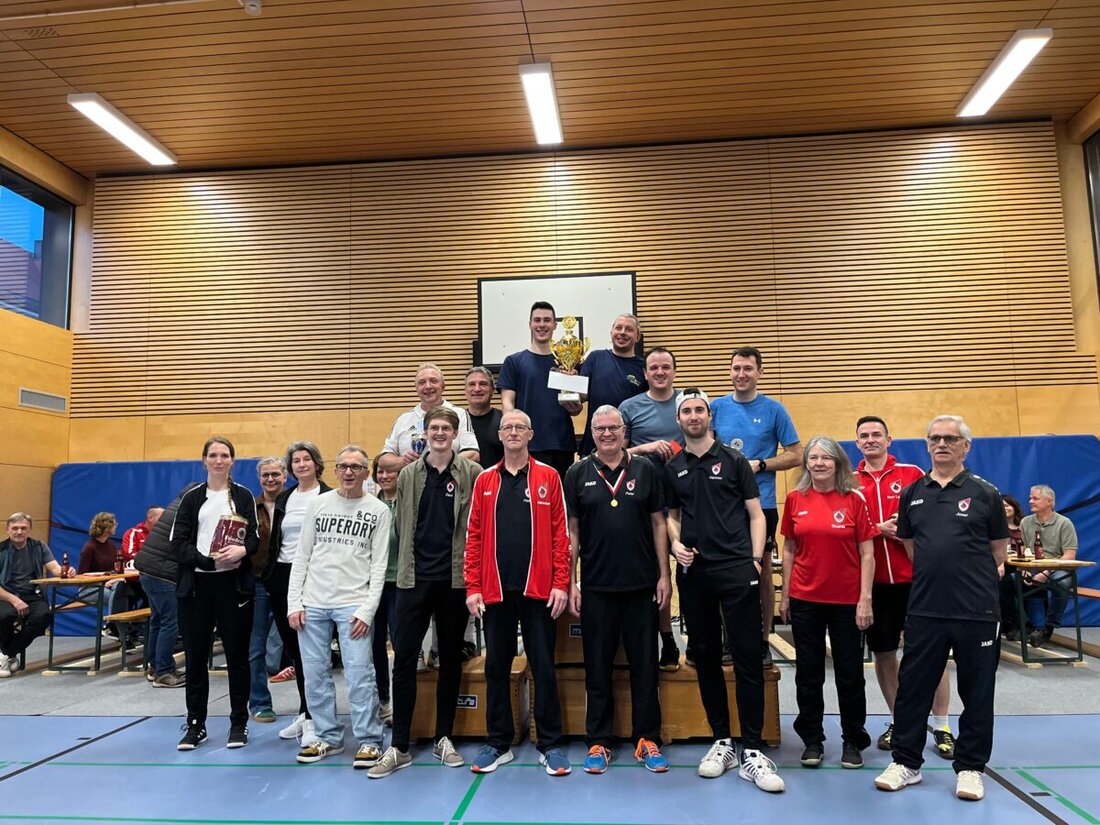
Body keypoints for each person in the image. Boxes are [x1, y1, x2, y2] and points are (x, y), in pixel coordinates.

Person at [875, 415, 1009, 802]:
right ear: (927, 445)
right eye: (935, 439)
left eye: (951, 439)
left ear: (966, 446)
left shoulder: (986, 494)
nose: (942, 444)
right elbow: (912, 548)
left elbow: (997, 552)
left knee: (977, 692)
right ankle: (906, 762)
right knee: (913, 689)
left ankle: (970, 768)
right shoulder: (913, 493)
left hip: (976, 611)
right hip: (925, 609)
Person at [663, 389, 784, 793]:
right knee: (706, 657)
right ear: (678, 420)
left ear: (709, 416)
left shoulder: (734, 461)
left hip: (737, 570)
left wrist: (754, 560)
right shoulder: (673, 467)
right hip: (695, 574)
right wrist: (676, 543)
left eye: (699, 409)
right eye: (686, 411)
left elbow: (756, 514)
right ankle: (722, 741)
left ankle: (753, 749)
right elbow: (672, 516)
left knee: (748, 657)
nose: (693, 416)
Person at [370, 407, 482, 778]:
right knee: (404, 659)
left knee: (450, 659)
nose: (439, 433)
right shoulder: (407, 475)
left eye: (446, 428)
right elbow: (400, 522)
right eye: (433, 427)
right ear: (425, 432)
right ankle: (399, 745)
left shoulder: (471, 473)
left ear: (455, 434)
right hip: (412, 580)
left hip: (454, 580)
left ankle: (443, 737)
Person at [564, 405, 671, 775]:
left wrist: (664, 575)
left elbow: (659, 523)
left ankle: (647, 739)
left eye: (613, 428)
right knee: (597, 668)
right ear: (591, 433)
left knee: (645, 667)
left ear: (624, 431)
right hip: (596, 587)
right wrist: (571, 581)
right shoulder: (577, 473)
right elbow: (572, 530)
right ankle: (599, 740)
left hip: (641, 585)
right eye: (600, 429)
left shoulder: (646, 470)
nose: (607, 434)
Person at [464, 409, 571, 776]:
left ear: (530, 434)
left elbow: (561, 535)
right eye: (506, 427)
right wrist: (473, 587)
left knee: (543, 666)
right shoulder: (485, 480)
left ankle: (550, 744)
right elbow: (473, 537)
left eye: (519, 427)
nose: (512, 432)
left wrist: (560, 583)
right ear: (500, 435)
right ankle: (498, 742)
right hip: (495, 591)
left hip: (539, 591)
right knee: (496, 667)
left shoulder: (549, 477)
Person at [854, 416, 955, 758]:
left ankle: (942, 725)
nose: (871, 440)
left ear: (889, 440)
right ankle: (900, 721)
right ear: (857, 443)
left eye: (876, 434)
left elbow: (936, 516)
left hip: (918, 581)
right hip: (876, 584)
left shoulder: (912, 473)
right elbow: (852, 528)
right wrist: (876, 528)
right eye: (864, 436)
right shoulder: (850, 482)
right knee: (884, 654)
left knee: (932, 653)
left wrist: (907, 529)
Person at [288, 444, 391, 768]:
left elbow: (379, 566)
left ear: (366, 473)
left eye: (356, 467)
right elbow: (302, 556)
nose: (348, 472)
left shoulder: (378, 511)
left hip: (353, 605)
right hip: (313, 603)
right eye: (343, 466)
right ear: (335, 471)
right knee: (315, 675)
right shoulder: (318, 505)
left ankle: (370, 740)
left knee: (360, 675)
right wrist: (294, 602)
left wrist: (367, 610)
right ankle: (327, 737)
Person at [779, 436, 875, 770]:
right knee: (809, 674)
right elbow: (789, 549)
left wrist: (865, 599)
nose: (819, 463)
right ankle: (812, 740)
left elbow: (867, 553)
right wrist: (786, 595)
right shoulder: (795, 499)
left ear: (838, 463)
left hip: (847, 602)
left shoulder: (854, 499)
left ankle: (853, 740)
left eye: (826, 458)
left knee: (850, 675)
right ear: (806, 463)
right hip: (805, 599)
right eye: (813, 457)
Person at [710, 346, 802, 664]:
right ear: (730, 371)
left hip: (761, 505)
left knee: (760, 571)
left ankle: (762, 640)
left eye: (748, 368)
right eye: (736, 368)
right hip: (722, 505)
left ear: (760, 373)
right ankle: (728, 639)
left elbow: (796, 454)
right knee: (722, 571)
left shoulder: (774, 410)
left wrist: (761, 465)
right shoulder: (716, 408)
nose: (741, 374)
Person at [171, 436, 260, 751]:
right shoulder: (192, 497)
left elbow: (254, 538)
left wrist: (241, 551)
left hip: (233, 587)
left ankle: (239, 723)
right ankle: (196, 724)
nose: (219, 460)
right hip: (197, 587)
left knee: (237, 658)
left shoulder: (243, 496)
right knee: (196, 658)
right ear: (204, 460)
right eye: (213, 455)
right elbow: (177, 544)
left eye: (224, 455)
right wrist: (207, 561)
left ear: (232, 461)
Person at [262, 441, 331, 744]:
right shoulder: (285, 498)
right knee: (294, 650)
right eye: (296, 461)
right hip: (282, 576)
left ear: (316, 463)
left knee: (312, 651)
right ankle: (305, 712)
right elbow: (277, 539)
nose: (301, 464)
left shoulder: (329, 496)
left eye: (306, 459)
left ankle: (316, 717)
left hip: (315, 577)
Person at [619, 346, 683, 670]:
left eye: (665, 367)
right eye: (653, 367)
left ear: (674, 371)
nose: (659, 372)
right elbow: (615, 451)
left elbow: (706, 440)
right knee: (656, 574)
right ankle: (665, 637)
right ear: (644, 373)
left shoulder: (688, 401)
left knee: (690, 572)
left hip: (685, 501)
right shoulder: (629, 406)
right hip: (644, 504)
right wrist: (646, 448)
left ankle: (699, 638)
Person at [497, 301, 582, 480]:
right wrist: (513, 431)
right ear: (530, 324)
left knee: (560, 494)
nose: (542, 325)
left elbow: (576, 406)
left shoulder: (569, 361)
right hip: (528, 444)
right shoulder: (514, 361)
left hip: (561, 443)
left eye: (547, 320)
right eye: (537, 320)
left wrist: (576, 407)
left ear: (555, 325)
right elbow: (507, 402)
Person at [136, 489, 195, 688]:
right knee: (170, 622)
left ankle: (155, 667)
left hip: (148, 570)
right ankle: (164, 672)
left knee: (158, 620)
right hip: (163, 573)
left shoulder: (174, 507)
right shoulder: (187, 512)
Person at [1, 513, 73, 678]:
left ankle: (6, 653)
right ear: (7, 530)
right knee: (5, 615)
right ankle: (8, 655)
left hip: (32, 594)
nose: (19, 532)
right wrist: (14, 600)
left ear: (30, 530)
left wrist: (66, 571)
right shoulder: (1, 550)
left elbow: (55, 569)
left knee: (43, 617)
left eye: (23, 528)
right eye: (15, 528)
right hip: (5, 595)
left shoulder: (39, 547)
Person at [248, 458, 286, 724]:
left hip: (289, 581)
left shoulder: (295, 503)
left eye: (275, 474)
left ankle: (308, 708)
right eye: (265, 475)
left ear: (285, 475)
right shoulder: (249, 507)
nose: (270, 479)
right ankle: (260, 702)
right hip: (258, 581)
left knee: (300, 645)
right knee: (256, 645)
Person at [576, 314, 647, 456]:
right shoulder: (595, 358)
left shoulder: (644, 367)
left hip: (629, 447)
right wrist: (568, 381)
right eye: (618, 328)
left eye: (629, 329)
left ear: (637, 337)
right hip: (594, 443)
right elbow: (580, 395)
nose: (622, 332)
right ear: (611, 332)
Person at [382, 363, 479, 465]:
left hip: (448, 475)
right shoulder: (403, 419)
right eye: (422, 382)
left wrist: (439, 466)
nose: (427, 386)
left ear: (443, 386)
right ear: (416, 388)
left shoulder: (459, 414)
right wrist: (404, 461)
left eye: (433, 381)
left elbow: (473, 454)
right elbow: (383, 460)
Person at [1019, 485, 1079, 648]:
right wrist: (1024, 569)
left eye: (1035, 498)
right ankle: (1030, 626)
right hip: (1033, 566)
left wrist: (1046, 571)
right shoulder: (1025, 522)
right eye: (1030, 498)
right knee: (1011, 581)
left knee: (1061, 582)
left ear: (1049, 502)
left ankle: (1049, 626)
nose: (1030, 501)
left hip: (1058, 568)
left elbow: (1069, 555)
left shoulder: (1064, 523)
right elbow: (1022, 551)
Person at [369, 452, 403, 726]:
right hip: (372, 586)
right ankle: (384, 701)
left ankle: (403, 702)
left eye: (390, 471)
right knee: (375, 646)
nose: (384, 476)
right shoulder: (370, 505)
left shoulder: (409, 503)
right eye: (380, 471)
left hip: (400, 583)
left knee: (402, 646)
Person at [76, 512, 131, 643]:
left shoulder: (110, 545)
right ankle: (112, 626)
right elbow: (82, 575)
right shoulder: (89, 548)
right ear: (107, 527)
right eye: (114, 524)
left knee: (122, 590)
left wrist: (115, 578)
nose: (116, 526)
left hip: (108, 584)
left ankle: (123, 632)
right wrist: (102, 582)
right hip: (89, 588)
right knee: (117, 596)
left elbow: (113, 569)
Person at [999, 495, 1027, 641]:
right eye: (1002, 506)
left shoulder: (1025, 526)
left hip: (1024, 566)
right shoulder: (996, 527)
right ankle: (1012, 622)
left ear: (1015, 507)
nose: (1005, 508)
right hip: (1003, 566)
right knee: (1004, 582)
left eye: (1008, 505)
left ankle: (1026, 624)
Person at [465, 366, 503, 469]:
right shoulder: (457, 421)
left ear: (493, 390)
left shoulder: (504, 421)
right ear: (465, 391)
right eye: (472, 384)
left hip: (497, 478)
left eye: (483, 384)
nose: (477, 389)